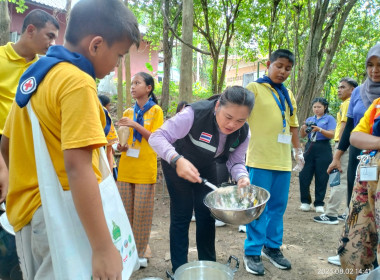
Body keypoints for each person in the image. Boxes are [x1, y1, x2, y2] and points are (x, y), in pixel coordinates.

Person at [0, 0, 140, 278]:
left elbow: (6, 143)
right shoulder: (77, 82)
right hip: (60, 216)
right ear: (96, 44)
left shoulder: (36, 75)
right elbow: (78, 168)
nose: (118, 65)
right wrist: (102, 247)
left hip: (29, 213)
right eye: (120, 55)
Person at [149, 86, 253, 272]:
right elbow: (157, 136)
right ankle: (179, 269)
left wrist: (242, 177)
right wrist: (176, 160)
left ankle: (209, 267)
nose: (232, 125)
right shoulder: (193, 114)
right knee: (182, 213)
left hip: (206, 165)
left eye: (240, 120)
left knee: (207, 214)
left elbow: (236, 162)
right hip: (177, 162)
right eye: (228, 117)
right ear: (218, 105)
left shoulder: (243, 132)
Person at [243, 49, 303, 275]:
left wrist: (298, 152)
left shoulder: (288, 94)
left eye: (288, 68)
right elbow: (239, 118)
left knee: (278, 207)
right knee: (257, 207)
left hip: (282, 162)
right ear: (269, 64)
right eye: (279, 65)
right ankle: (252, 251)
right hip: (259, 160)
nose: (283, 71)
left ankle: (272, 247)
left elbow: (293, 125)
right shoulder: (254, 89)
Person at [327, 44, 380, 267]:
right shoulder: (360, 93)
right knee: (359, 209)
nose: (374, 71)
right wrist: (337, 156)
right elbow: (351, 128)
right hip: (363, 158)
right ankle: (359, 258)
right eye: (370, 65)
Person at [117, 72, 163, 268]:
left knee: (142, 213)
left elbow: (155, 139)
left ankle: (141, 251)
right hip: (126, 168)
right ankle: (126, 250)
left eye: (137, 83)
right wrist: (121, 146)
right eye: (132, 83)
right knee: (125, 212)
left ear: (149, 88)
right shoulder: (128, 112)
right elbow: (123, 139)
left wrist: (136, 124)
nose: (133, 86)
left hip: (145, 170)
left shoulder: (156, 111)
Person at [0, 9, 59, 137]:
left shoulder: (44, 69)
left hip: (27, 141)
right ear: (31, 30)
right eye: (50, 36)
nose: (53, 44)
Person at [313, 78, 357, 225]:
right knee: (347, 178)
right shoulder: (351, 103)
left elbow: (345, 126)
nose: (339, 90)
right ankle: (346, 212)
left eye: (343, 87)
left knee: (337, 178)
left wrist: (339, 149)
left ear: (352, 90)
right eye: (338, 87)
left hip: (343, 145)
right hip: (349, 145)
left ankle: (331, 213)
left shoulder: (348, 103)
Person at [299, 98, 336, 213]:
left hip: (323, 148)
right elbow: (303, 135)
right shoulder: (310, 119)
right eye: (314, 107)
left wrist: (319, 129)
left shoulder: (329, 119)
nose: (316, 109)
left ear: (325, 107)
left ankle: (319, 203)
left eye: (319, 107)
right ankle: (305, 201)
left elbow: (332, 134)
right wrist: (303, 128)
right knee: (304, 175)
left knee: (322, 176)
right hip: (310, 147)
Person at [98, 94, 119, 181]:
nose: (109, 108)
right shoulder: (104, 112)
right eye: (109, 105)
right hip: (105, 163)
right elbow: (109, 148)